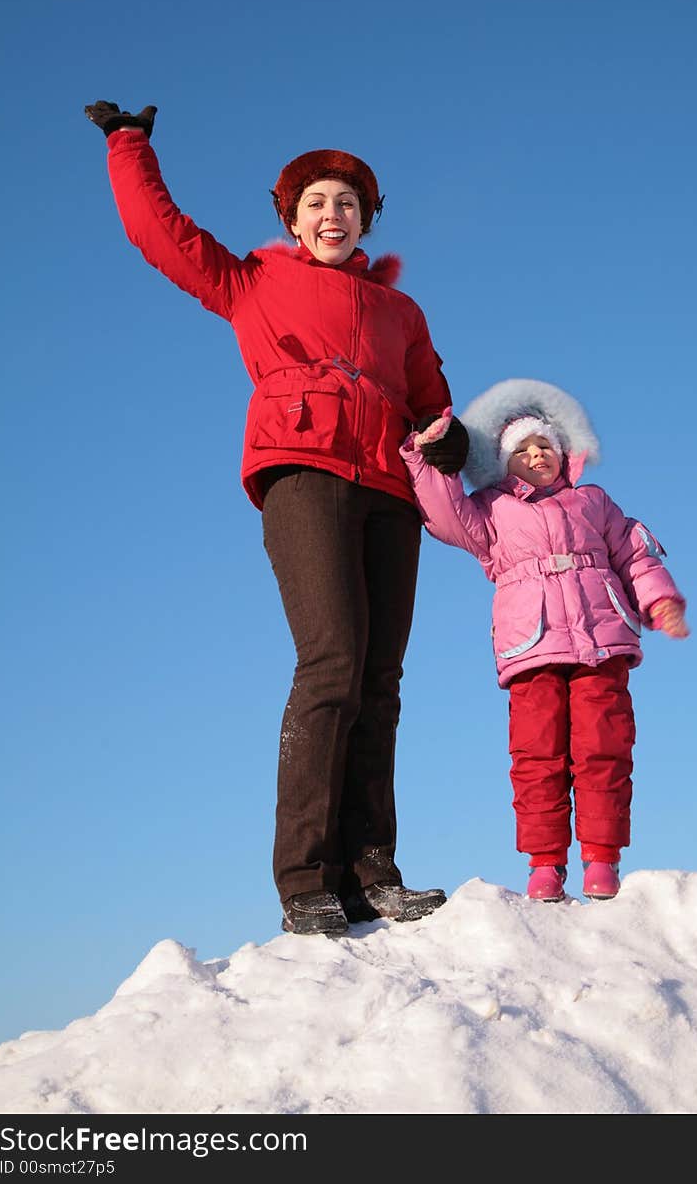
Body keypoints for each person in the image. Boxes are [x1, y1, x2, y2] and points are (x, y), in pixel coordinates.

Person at [83, 100, 470, 935]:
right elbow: (163, 236)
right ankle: (306, 882)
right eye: (317, 203)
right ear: (293, 219)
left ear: (367, 219)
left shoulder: (403, 313)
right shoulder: (253, 282)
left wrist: (449, 437)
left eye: (349, 204)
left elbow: (431, 398)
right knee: (332, 662)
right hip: (305, 476)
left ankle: (374, 872)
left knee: (381, 683)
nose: (334, 215)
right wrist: (129, 145)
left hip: (391, 496)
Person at [400, 378, 688, 903]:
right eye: (523, 450)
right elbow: (443, 515)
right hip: (531, 647)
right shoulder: (489, 511)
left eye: (545, 446)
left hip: (601, 644)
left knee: (604, 748)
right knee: (538, 756)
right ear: (501, 461)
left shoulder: (593, 503)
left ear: (565, 454)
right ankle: (545, 865)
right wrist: (423, 457)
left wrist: (658, 599)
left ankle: (602, 858)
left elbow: (635, 555)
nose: (537, 455)